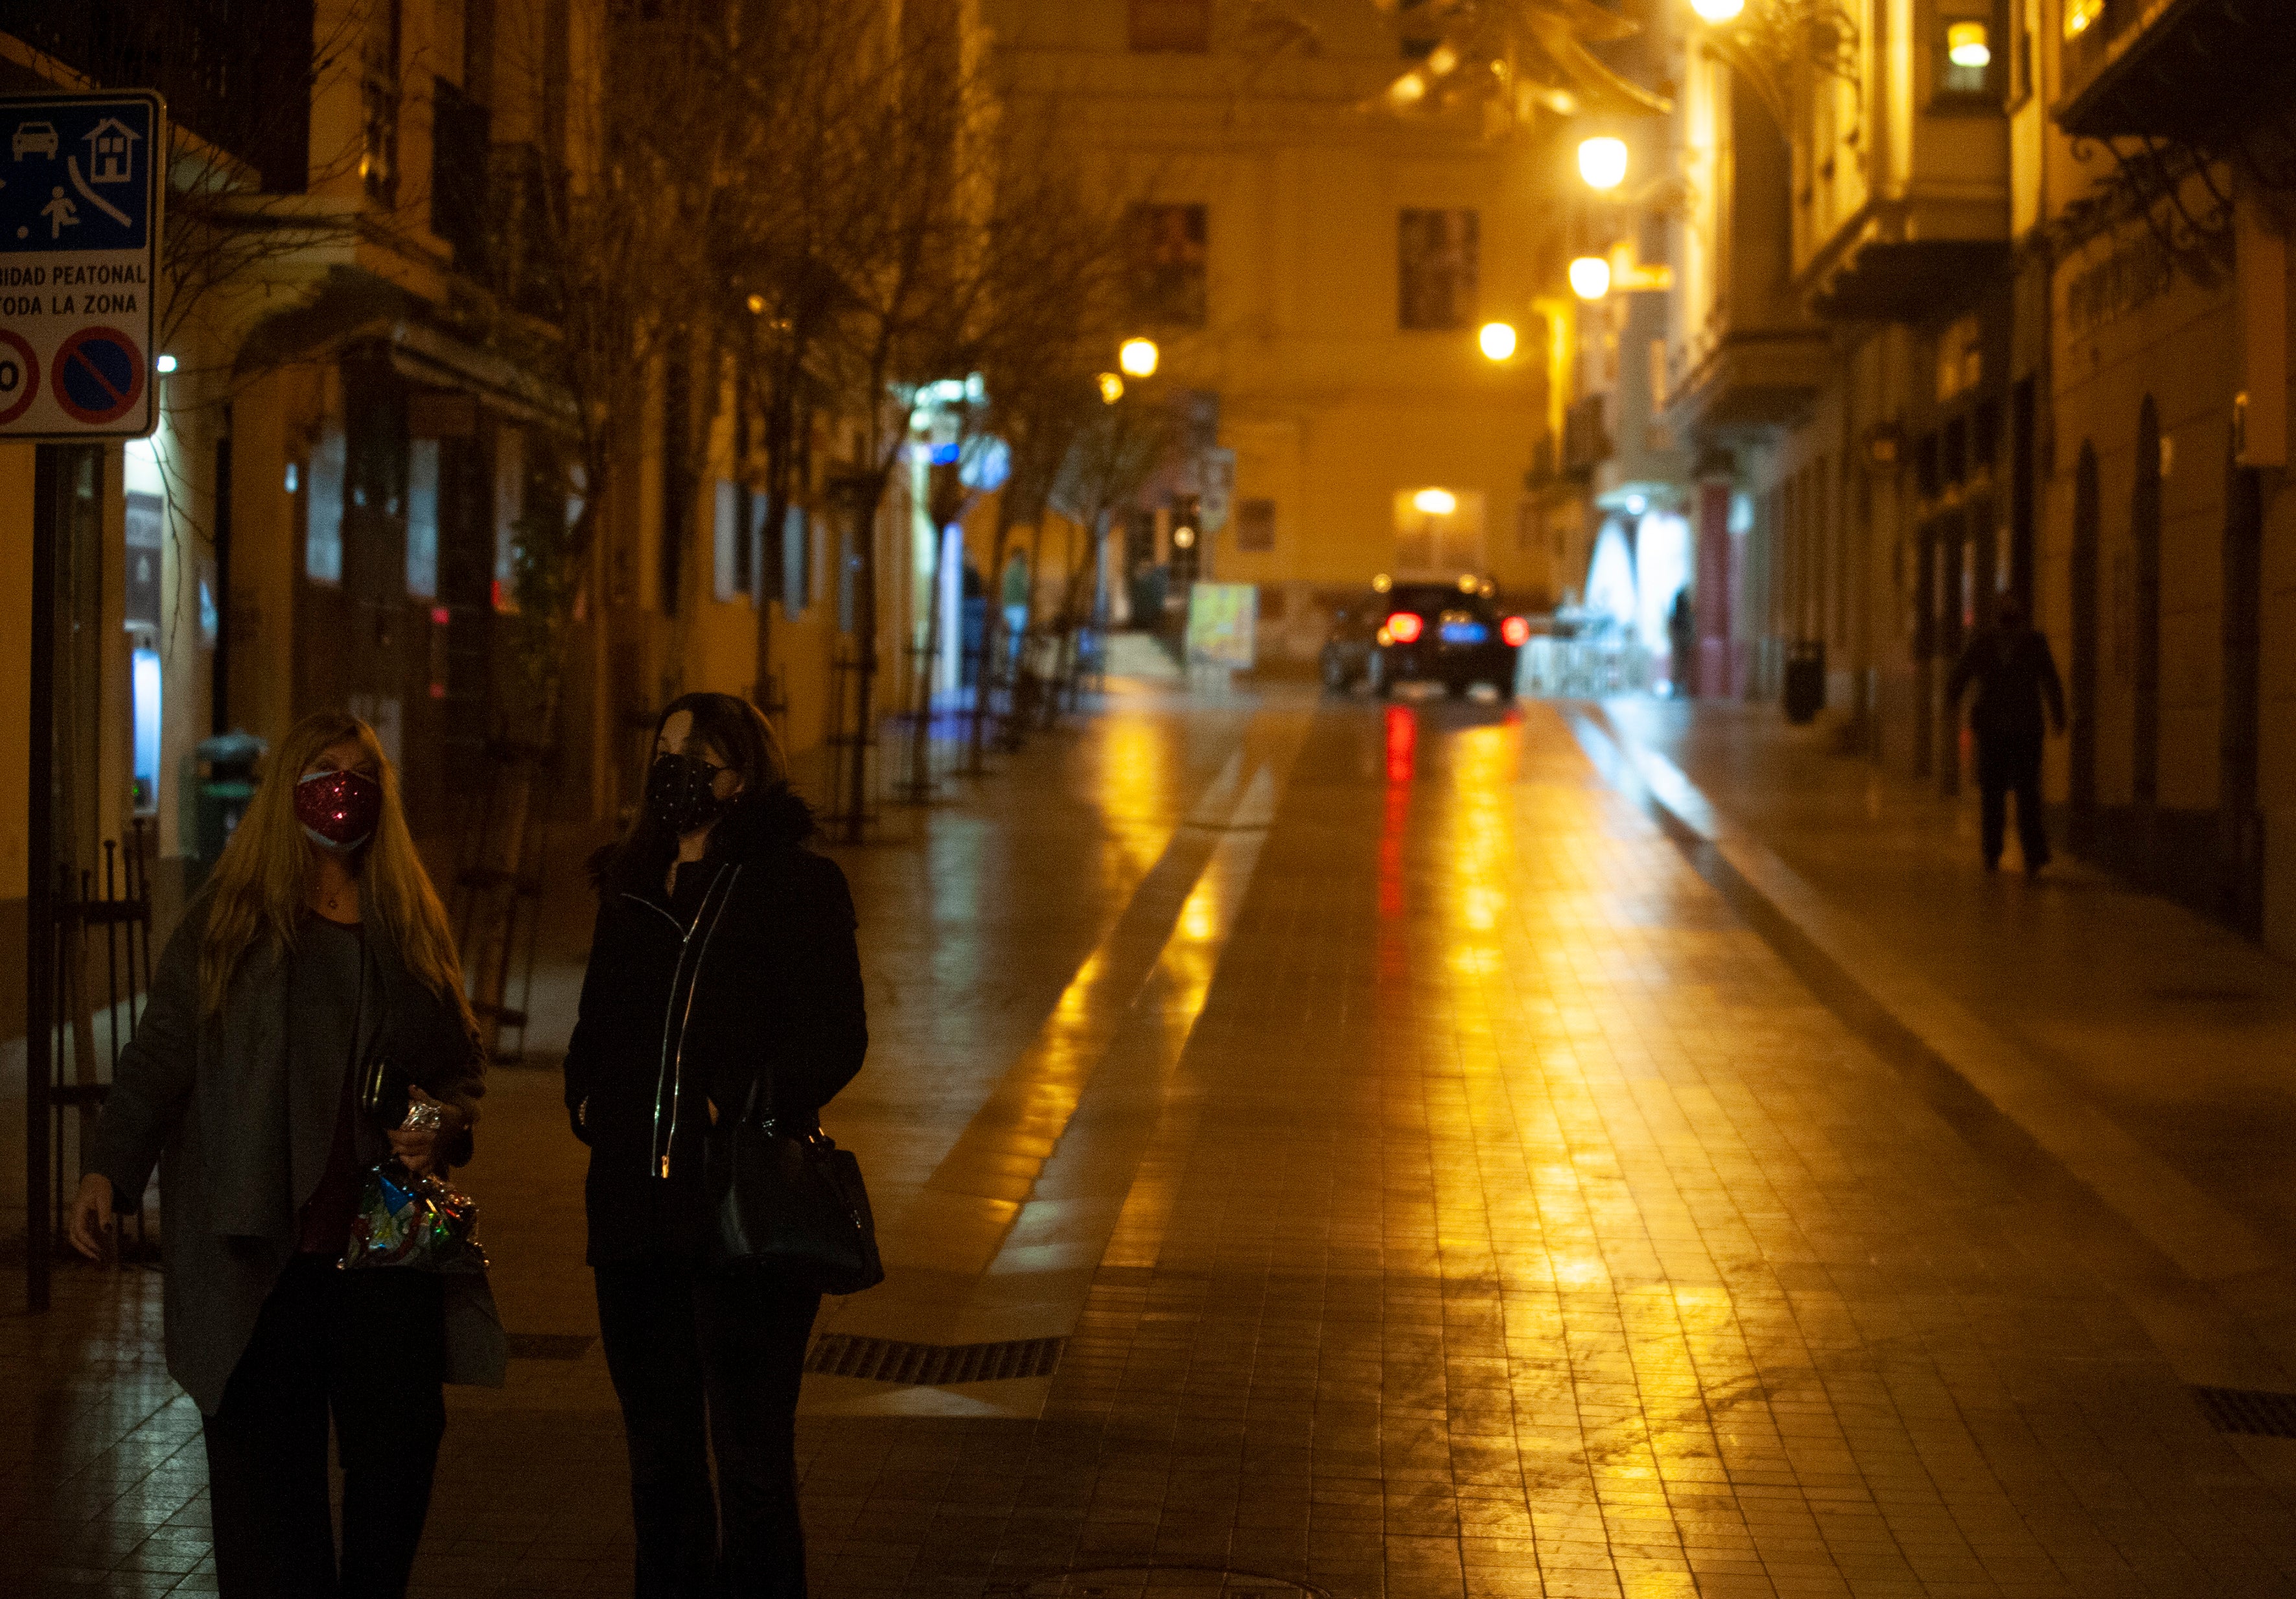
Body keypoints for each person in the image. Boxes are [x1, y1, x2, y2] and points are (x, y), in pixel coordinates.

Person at [67, 709, 502, 1598]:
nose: (341, 789)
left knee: (399, 1455)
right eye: (322, 769)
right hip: (260, 1253)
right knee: (270, 1500)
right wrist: (108, 1168)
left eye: (358, 771)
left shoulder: (409, 923)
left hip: (383, 1249)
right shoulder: (228, 924)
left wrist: (437, 1121)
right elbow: (159, 1055)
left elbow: (459, 1070)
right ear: (287, 792)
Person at [565, 692, 867, 1598]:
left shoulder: (795, 885)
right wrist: (589, 1101)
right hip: (632, 1213)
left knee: (752, 1465)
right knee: (658, 1464)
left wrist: (732, 1101)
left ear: (743, 773)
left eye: (698, 754)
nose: (677, 769)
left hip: (739, 1217)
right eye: (663, 750)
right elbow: (594, 1027)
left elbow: (835, 1035)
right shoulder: (629, 884)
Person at [1947, 596, 2067, 874]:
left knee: (1995, 794)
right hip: (2022, 730)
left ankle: (1994, 852)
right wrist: (2057, 715)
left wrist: (1952, 703)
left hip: (1997, 731)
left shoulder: (1985, 644)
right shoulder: (2033, 643)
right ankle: (2031, 854)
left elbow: (1960, 676)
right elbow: (2051, 680)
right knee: (2025, 793)